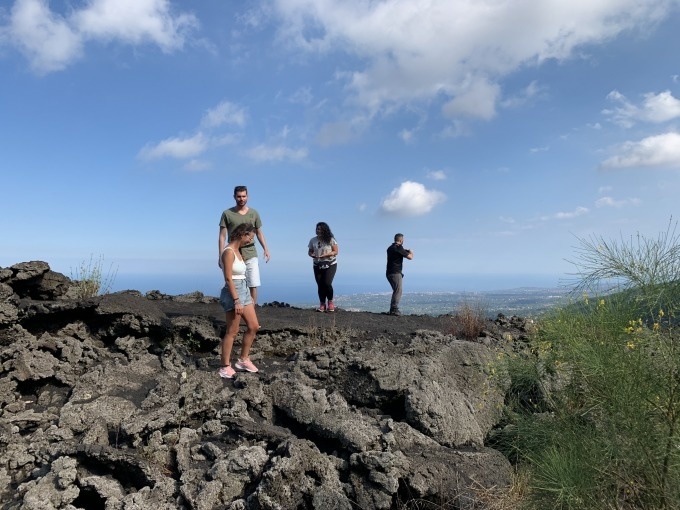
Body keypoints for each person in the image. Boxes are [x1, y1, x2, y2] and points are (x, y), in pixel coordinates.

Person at [218, 223, 261, 379]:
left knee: (254, 326)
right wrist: (236, 300)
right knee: (232, 331)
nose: (251, 240)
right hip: (233, 293)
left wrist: (246, 294)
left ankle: (243, 359)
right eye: (250, 237)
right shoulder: (228, 252)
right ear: (243, 234)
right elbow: (228, 278)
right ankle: (224, 367)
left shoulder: (239, 251)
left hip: (243, 289)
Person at [218, 185, 270, 305]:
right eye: (239, 196)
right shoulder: (227, 214)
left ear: (247, 196)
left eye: (244, 196)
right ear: (234, 197)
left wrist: (266, 249)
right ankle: (235, 306)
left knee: (253, 283)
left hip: (250, 252)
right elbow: (222, 236)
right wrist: (221, 255)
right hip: (233, 253)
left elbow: (259, 233)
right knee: (232, 280)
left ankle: (251, 310)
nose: (241, 199)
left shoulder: (254, 213)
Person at [308, 222, 339, 312]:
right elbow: (309, 251)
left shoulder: (331, 240)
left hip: (330, 263)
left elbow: (336, 251)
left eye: (320, 229)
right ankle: (322, 304)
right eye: (317, 229)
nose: (318, 231)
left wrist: (326, 255)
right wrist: (312, 255)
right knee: (320, 284)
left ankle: (330, 302)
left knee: (327, 283)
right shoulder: (312, 240)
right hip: (317, 264)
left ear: (325, 230)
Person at [386, 233, 413, 316]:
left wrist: (405, 251)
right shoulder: (398, 247)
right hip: (396, 273)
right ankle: (394, 309)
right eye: (403, 240)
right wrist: (411, 252)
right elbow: (410, 257)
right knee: (398, 291)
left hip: (389, 273)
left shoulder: (390, 248)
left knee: (396, 290)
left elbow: (401, 252)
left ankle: (392, 309)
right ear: (401, 240)